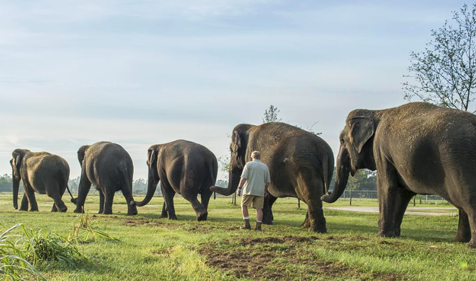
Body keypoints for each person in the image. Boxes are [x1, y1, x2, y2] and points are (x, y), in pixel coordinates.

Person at [237, 151, 271, 230]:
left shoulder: (249, 165)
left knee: (244, 206)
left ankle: (247, 224)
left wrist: (239, 188)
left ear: (252, 157)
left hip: (249, 190)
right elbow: (267, 182)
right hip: (260, 191)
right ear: (259, 157)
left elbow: (244, 177)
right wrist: (265, 191)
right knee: (259, 208)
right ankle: (258, 226)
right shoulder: (265, 166)